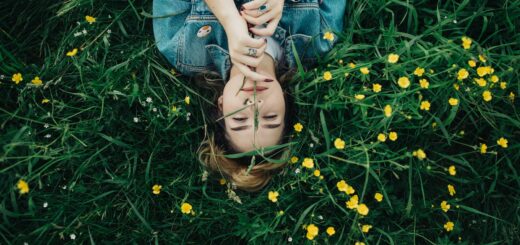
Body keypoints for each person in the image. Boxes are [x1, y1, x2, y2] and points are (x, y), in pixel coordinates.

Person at [153, 0, 346, 192]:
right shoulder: (318, 38)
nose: (254, 104)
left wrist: (228, 18)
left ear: (221, 105)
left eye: (239, 118)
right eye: (270, 117)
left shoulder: (183, 49)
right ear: (285, 101)